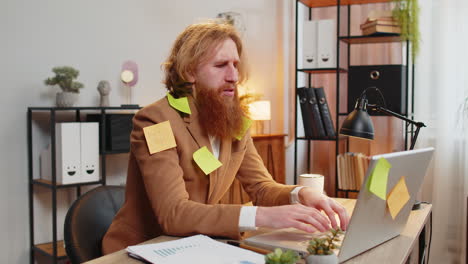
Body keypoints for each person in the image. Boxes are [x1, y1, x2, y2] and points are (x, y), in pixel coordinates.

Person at [102, 21, 349, 254]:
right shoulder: (156, 122)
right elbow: (174, 214)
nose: (233, 76)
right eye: (221, 66)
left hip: (194, 245)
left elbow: (262, 188)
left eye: (235, 65)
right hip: (142, 249)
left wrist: (300, 194)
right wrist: (262, 216)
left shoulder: (234, 122)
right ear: (189, 72)